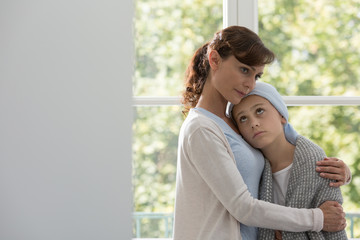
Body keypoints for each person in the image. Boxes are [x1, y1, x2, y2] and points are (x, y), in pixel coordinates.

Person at [173, 25, 349, 240]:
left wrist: (334, 170)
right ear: (215, 60)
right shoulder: (201, 129)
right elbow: (243, 207)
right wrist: (318, 219)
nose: (250, 84)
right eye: (244, 70)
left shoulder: (233, 123)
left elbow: (281, 149)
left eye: (256, 76)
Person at [230, 81, 348, 239]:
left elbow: (335, 223)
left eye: (259, 111)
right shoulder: (252, 170)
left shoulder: (317, 163)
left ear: (282, 116)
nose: (254, 123)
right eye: (243, 119)